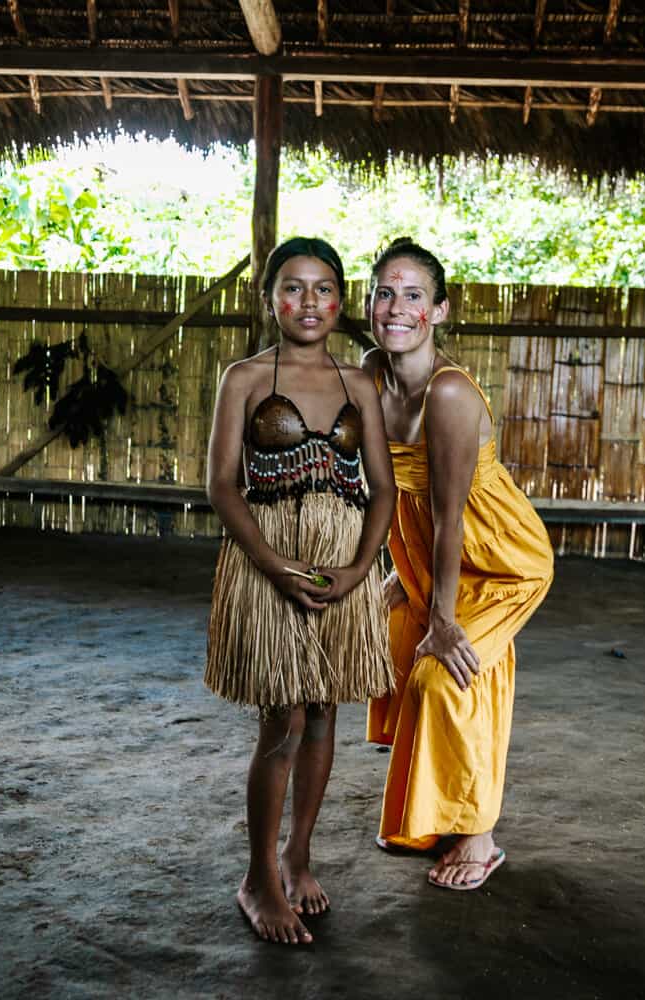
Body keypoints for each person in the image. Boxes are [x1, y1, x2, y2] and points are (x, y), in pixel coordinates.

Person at [205, 236, 395, 943]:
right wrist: (274, 564)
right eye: (292, 287)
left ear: (341, 301)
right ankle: (258, 878)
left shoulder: (359, 384)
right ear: (269, 299)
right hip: (267, 559)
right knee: (281, 719)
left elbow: (383, 489)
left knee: (322, 711)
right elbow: (222, 486)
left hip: (342, 562)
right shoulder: (245, 378)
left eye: (322, 289)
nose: (308, 302)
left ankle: (298, 855)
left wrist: (358, 570)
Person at [364, 238, 554, 891]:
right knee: (390, 631)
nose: (396, 307)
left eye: (413, 295)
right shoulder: (370, 372)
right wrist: (394, 571)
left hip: (498, 556)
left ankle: (480, 834)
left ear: (439, 311)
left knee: (446, 673)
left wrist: (442, 621)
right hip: (431, 547)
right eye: (385, 292)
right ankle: (439, 811)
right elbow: (393, 494)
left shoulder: (447, 395)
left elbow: (451, 519)